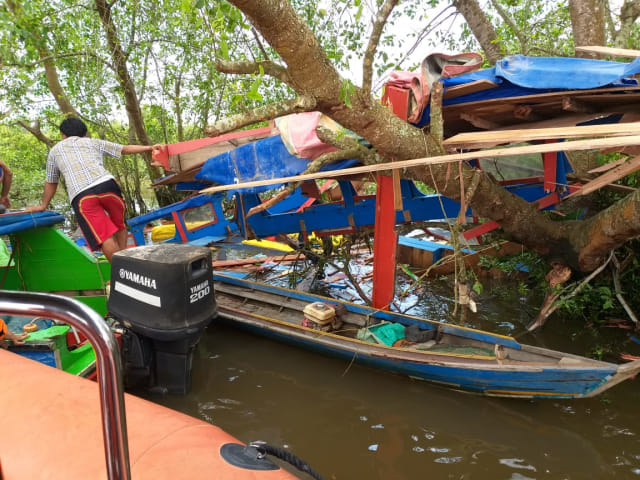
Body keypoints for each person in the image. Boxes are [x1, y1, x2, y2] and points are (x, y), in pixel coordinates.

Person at [27, 118, 162, 262]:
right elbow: (124, 149)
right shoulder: (92, 142)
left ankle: (121, 271)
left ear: (62, 135)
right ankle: (124, 255)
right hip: (107, 185)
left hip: (82, 194)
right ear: (84, 133)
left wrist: (43, 205)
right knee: (119, 224)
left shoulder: (55, 151)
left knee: (104, 236)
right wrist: (149, 147)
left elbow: (51, 181)